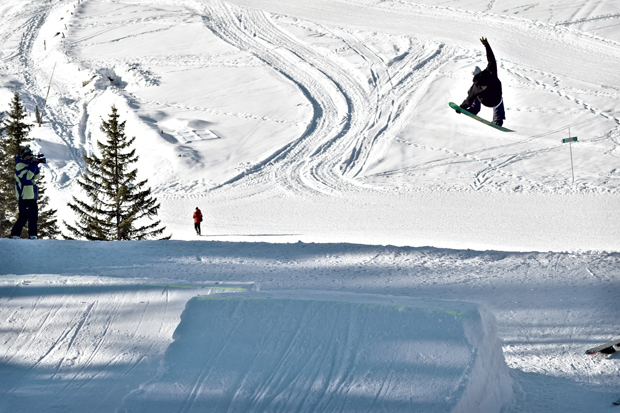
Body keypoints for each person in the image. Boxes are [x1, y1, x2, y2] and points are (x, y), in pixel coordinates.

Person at [458, 37, 506, 127]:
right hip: (496, 99)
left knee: (472, 92)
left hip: (486, 102)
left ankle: (474, 109)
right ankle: (498, 120)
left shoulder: (475, 86)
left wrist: (461, 108)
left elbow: (469, 99)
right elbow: (491, 59)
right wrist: (487, 45)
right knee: (499, 99)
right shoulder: (491, 72)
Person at [10, 148, 40, 239]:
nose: (29, 157)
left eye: (30, 155)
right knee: (24, 216)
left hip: (32, 196)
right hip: (24, 196)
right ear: (23, 157)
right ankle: (15, 234)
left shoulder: (29, 165)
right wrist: (32, 165)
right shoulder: (20, 165)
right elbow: (27, 176)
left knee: (33, 216)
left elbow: (36, 176)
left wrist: (35, 165)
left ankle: (33, 235)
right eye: (27, 155)